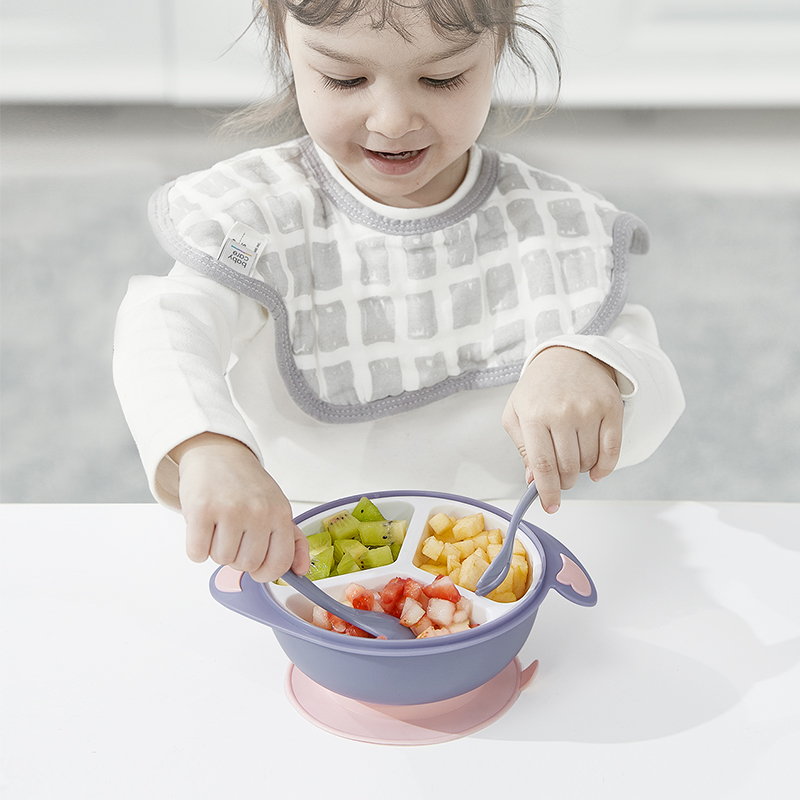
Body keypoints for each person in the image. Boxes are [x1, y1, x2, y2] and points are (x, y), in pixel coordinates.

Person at [113, 0, 684, 585]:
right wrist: (209, 447)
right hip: (294, 560)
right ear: (289, 47)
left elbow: (656, 390)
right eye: (345, 78)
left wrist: (593, 363)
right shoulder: (261, 215)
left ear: (499, 49)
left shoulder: (545, 225)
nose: (391, 120)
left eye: (442, 79)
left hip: (492, 564)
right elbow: (163, 323)